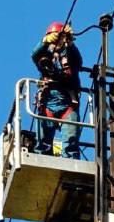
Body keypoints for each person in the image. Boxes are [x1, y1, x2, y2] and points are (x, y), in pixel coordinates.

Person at [31, 22, 83, 158]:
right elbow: (35, 55)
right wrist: (44, 41)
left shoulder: (70, 55)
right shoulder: (45, 54)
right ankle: (41, 159)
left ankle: (71, 163)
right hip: (48, 103)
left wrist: (70, 42)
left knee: (71, 142)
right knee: (43, 142)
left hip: (68, 104)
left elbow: (78, 60)